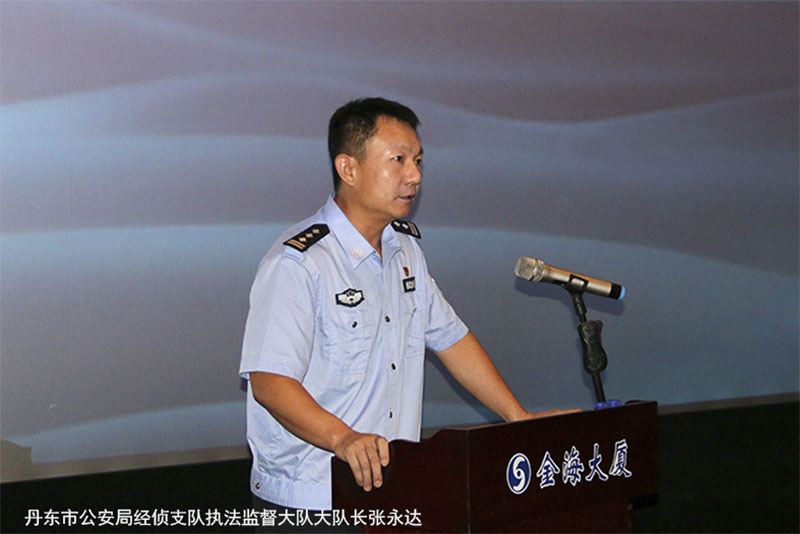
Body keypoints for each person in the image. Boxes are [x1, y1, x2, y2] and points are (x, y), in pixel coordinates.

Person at [239, 97, 572, 513]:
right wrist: (343, 438)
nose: (414, 176)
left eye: (418, 161)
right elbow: (270, 382)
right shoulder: (300, 262)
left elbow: (452, 340)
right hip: (311, 499)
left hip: (391, 490)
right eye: (398, 160)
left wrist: (517, 417)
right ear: (348, 169)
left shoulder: (405, 249)